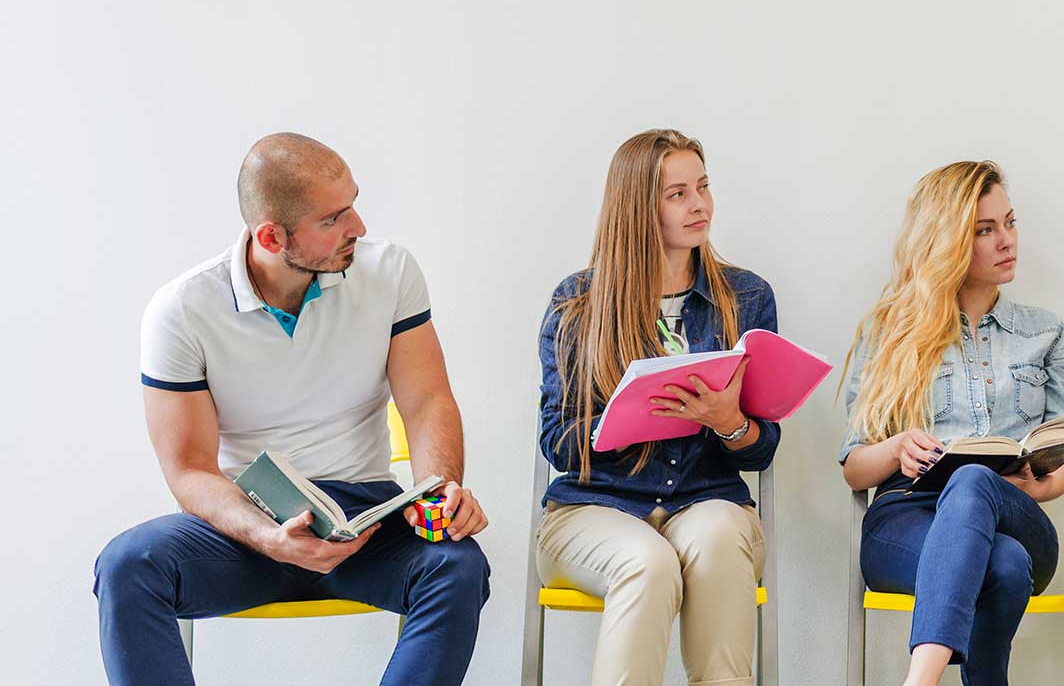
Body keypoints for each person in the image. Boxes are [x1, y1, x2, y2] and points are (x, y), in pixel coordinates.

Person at [95, 133, 491, 686]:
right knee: (126, 567)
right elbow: (188, 469)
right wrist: (267, 537)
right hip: (247, 526)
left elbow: (426, 402)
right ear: (271, 236)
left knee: (458, 566)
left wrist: (438, 493)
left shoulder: (390, 272)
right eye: (333, 218)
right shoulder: (181, 311)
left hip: (364, 522)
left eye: (353, 203)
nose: (358, 227)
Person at [534, 129, 777, 686]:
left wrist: (729, 423)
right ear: (638, 208)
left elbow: (762, 449)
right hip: (594, 507)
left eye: (703, 187)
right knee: (648, 561)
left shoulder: (747, 298)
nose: (699, 205)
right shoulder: (578, 303)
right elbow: (556, 442)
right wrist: (628, 419)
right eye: (678, 194)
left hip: (708, 499)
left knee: (719, 537)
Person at [838, 160, 1064, 686]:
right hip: (906, 514)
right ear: (945, 240)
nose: (1007, 240)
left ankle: (919, 681)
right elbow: (855, 467)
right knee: (1004, 566)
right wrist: (897, 447)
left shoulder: (1046, 332)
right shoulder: (890, 331)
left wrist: (1036, 484)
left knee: (974, 479)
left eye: (1010, 223)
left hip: (1014, 511)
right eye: (984, 230)